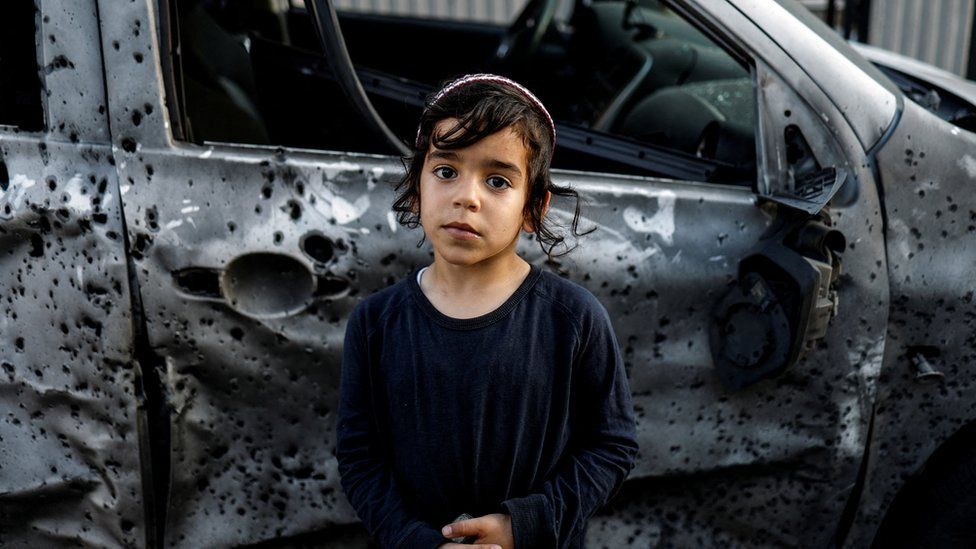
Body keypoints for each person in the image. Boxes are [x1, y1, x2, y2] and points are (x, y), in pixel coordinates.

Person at [335, 73, 639, 549]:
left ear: (533, 208)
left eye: (497, 180)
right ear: (417, 188)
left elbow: (611, 446)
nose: (466, 197)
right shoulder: (376, 322)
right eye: (446, 171)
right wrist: (419, 541)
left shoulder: (574, 319)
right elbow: (359, 459)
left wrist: (526, 525)